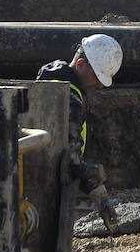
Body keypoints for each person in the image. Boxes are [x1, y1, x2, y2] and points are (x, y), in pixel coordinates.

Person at [37, 33, 124, 232]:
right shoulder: (69, 98)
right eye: (97, 76)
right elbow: (69, 154)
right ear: (81, 64)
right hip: (52, 181)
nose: (100, 85)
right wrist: (98, 192)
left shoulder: (52, 83)